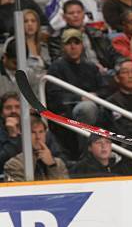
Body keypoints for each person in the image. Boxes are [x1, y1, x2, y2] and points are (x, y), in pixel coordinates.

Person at [46, 28, 104, 159]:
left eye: (76, 42)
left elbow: (104, 89)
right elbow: (54, 97)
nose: (73, 47)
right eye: (68, 43)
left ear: (82, 45)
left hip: (96, 109)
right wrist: (80, 98)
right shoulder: (56, 68)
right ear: (62, 46)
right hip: (66, 114)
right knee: (86, 108)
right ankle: (87, 156)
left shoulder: (91, 67)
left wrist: (95, 96)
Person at [4, 116, 69, 182]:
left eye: (41, 132)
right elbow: (21, 191)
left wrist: (52, 165)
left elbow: (64, 190)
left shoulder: (58, 164)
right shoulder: (14, 164)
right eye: (33, 132)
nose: (38, 137)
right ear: (23, 135)